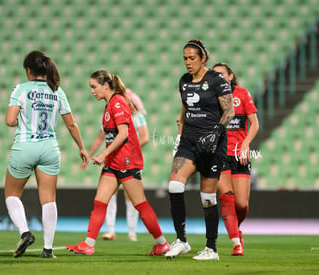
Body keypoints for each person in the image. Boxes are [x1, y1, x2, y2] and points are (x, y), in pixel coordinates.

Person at [66, 70, 169, 256]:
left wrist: (102, 154)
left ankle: (161, 243)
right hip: (114, 163)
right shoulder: (110, 104)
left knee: (140, 204)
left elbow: (123, 134)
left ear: (105, 85)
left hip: (127, 161)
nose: (92, 91)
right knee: (100, 202)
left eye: (94, 87)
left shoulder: (118, 102)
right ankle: (89, 244)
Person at [5, 50, 88, 258]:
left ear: (28, 70)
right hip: (50, 148)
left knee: (12, 195)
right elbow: (71, 123)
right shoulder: (57, 91)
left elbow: (9, 120)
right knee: (49, 199)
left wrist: (21, 120)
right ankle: (48, 249)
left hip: (25, 145)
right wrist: (81, 147)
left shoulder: (21, 89)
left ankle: (25, 233)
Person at [165, 40, 234, 261]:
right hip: (189, 141)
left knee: (207, 197)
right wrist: (179, 136)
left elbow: (229, 111)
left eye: (192, 58)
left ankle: (211, 248)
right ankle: (181, 240)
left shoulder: (217, 79)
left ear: (203, 58)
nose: (187, 63)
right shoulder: (184, 81)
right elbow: (185, 109)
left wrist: (216, 132)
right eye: (185, 58)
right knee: (175, 185)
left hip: (212, 143)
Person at [87, 89, 149, 242]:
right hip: (113, 160)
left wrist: (131, 150)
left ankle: (132, 232)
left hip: (129, 161)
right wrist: (89, 154)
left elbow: (145, 137)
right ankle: (110, 230)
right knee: (108, 194)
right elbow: (101, 137)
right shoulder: (112, 113)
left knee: (132, 197)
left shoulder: (137, 116)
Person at [213, 63, 259, 256]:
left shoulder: (242, 94)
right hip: (220, 153)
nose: (218, 77)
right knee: (227, 198)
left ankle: (236, 228)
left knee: (241, 204)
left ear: (231, 76)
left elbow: (254, 123)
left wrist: (246, 144)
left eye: (222, 74)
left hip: (239, 155)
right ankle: (236, 242)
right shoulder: (211, 97)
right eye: (214, 75)